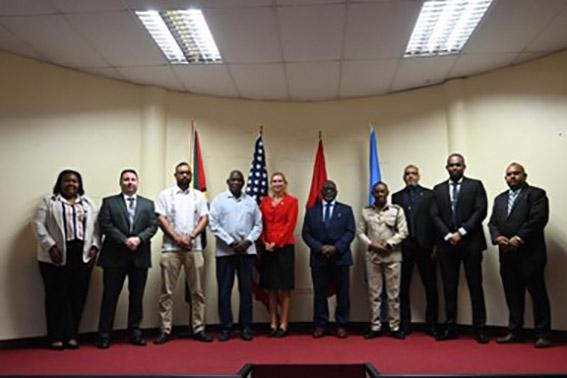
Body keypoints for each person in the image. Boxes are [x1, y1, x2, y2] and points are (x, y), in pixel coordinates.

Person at [32, 170, 100, 350]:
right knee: (56, 296)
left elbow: (96, 228)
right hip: (55, 256)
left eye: (75, 181)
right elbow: (38, 225)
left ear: (80, 184)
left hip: (82, 255)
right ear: (59, 183)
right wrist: (51, 246)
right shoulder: (49, 201)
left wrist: (94, 247)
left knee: (77, 296)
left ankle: (71, 335)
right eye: (67, 181)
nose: (71, 184)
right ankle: (55, 336)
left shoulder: (88, 203)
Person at [488, 163, 552, 348]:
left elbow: (538, 219)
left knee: (537, 294)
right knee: (512, 295)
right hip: (506, 255)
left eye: (516, 173)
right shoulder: (499, 199)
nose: (512, 177)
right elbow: (492, 223)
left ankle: (543, 334)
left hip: (530, 255)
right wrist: (497, 237)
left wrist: (519, 238)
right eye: (508, 174)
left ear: (524, 175)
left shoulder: (536, 194)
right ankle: (515, 331)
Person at [96, 169, 158, 349]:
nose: (129, 182)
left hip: (139, 257)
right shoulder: (109, 202)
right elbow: (105, 224)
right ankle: (104, 335)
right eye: (126, 179)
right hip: (114, 257)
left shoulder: (148, 204)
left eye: (132, 179)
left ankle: (134, 333)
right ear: (120, 183)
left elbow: (153, 226)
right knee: (110, 297)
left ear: (137, 182)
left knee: (136, 298)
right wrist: (124, 240)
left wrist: (139, 239)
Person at [431, 153, 489, 343]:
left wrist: (462, 232)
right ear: (446, 168)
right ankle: (450, 327)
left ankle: (479, 328)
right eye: (451, 165)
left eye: (458, 165)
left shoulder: (475, 185)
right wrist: (448, 235)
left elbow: (481, 211)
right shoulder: (437, 189)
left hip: (471, 242)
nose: (454, 168)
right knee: (449, 287)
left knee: (475, 286)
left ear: (464, 166)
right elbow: (434, 215)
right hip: (446, 245)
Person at [154, 162, 212, 345]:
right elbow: (161, 218)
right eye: (181, 173)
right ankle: (165, 329)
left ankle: (198, 328)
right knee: (167, 292)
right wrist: (177, 238)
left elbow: (204, 218)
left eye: (188, 173)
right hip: (171, 249)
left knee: (197, 292)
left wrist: (192, 236)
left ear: (191, 176)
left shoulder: (198, 196)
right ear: (175, 175)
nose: (185, 176)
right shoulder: (165, 194)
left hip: (194, 249)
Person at [209, 170, 262, 342]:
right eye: (233, 179)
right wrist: (231, 242)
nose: (237, 182)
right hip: (225, 253)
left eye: (240, 180)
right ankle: (226, 327)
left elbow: (258, 225)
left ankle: (245, 326)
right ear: (228, 181)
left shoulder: (251, 202)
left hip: (246, 253)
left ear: (244, 182)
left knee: (246, 291)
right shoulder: (219, 201)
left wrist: (247, 241)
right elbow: (213, 224)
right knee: (224, 291)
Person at [302, 180, 355, 339]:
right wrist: (320, 248)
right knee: (319, 293)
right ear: (321, 192)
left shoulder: (346, 210)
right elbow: (306, 234)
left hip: (341, 257)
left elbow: (350, 232)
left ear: (336, 191)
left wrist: (336, 248)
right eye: (326, 189)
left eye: (332, 189)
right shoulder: (312, 211)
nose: (329, 191)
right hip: (319, 258)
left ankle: (341, 325)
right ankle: (320, 325)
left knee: (342, 293)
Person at [392, 165, 439, 338]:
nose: (410, 176)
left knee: (431, 288)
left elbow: (435, 220)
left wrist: (436, 245)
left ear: (419, 176)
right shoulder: (396, 196)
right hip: (404, 248)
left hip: (426, 247)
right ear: (404, 177)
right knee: (402, 288)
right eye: (407, 174)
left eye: (414, 173)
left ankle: (432, 325)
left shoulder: (429, 194)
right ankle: (405, 325)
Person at [358, 182, 408, 339]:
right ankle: (375, 326)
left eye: (382, 192)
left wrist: (388, 244)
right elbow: (360, 232)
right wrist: (371, 244)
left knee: (393, 294)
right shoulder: (365, 211)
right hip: (373, 257)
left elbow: (404, 231)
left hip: (392, 256)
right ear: (373, 194)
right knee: (375, 294)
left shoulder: (397, 210)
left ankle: (394, 326)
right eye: (377, 192)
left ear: (387, 193)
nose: (379, 194)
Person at [259, 172, 298, 337]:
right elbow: (259, 224)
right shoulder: (264, 202)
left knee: (285, 287)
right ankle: (273, 321)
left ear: (285, 183)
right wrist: (264, 242)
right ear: (270, 184)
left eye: (280, 181)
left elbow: (290, 224)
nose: (277, 184)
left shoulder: (292, 202)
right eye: (274, 181)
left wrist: (277, 243)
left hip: (284, 247)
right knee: (271, 287)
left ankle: (284, 323)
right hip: (268, 248)